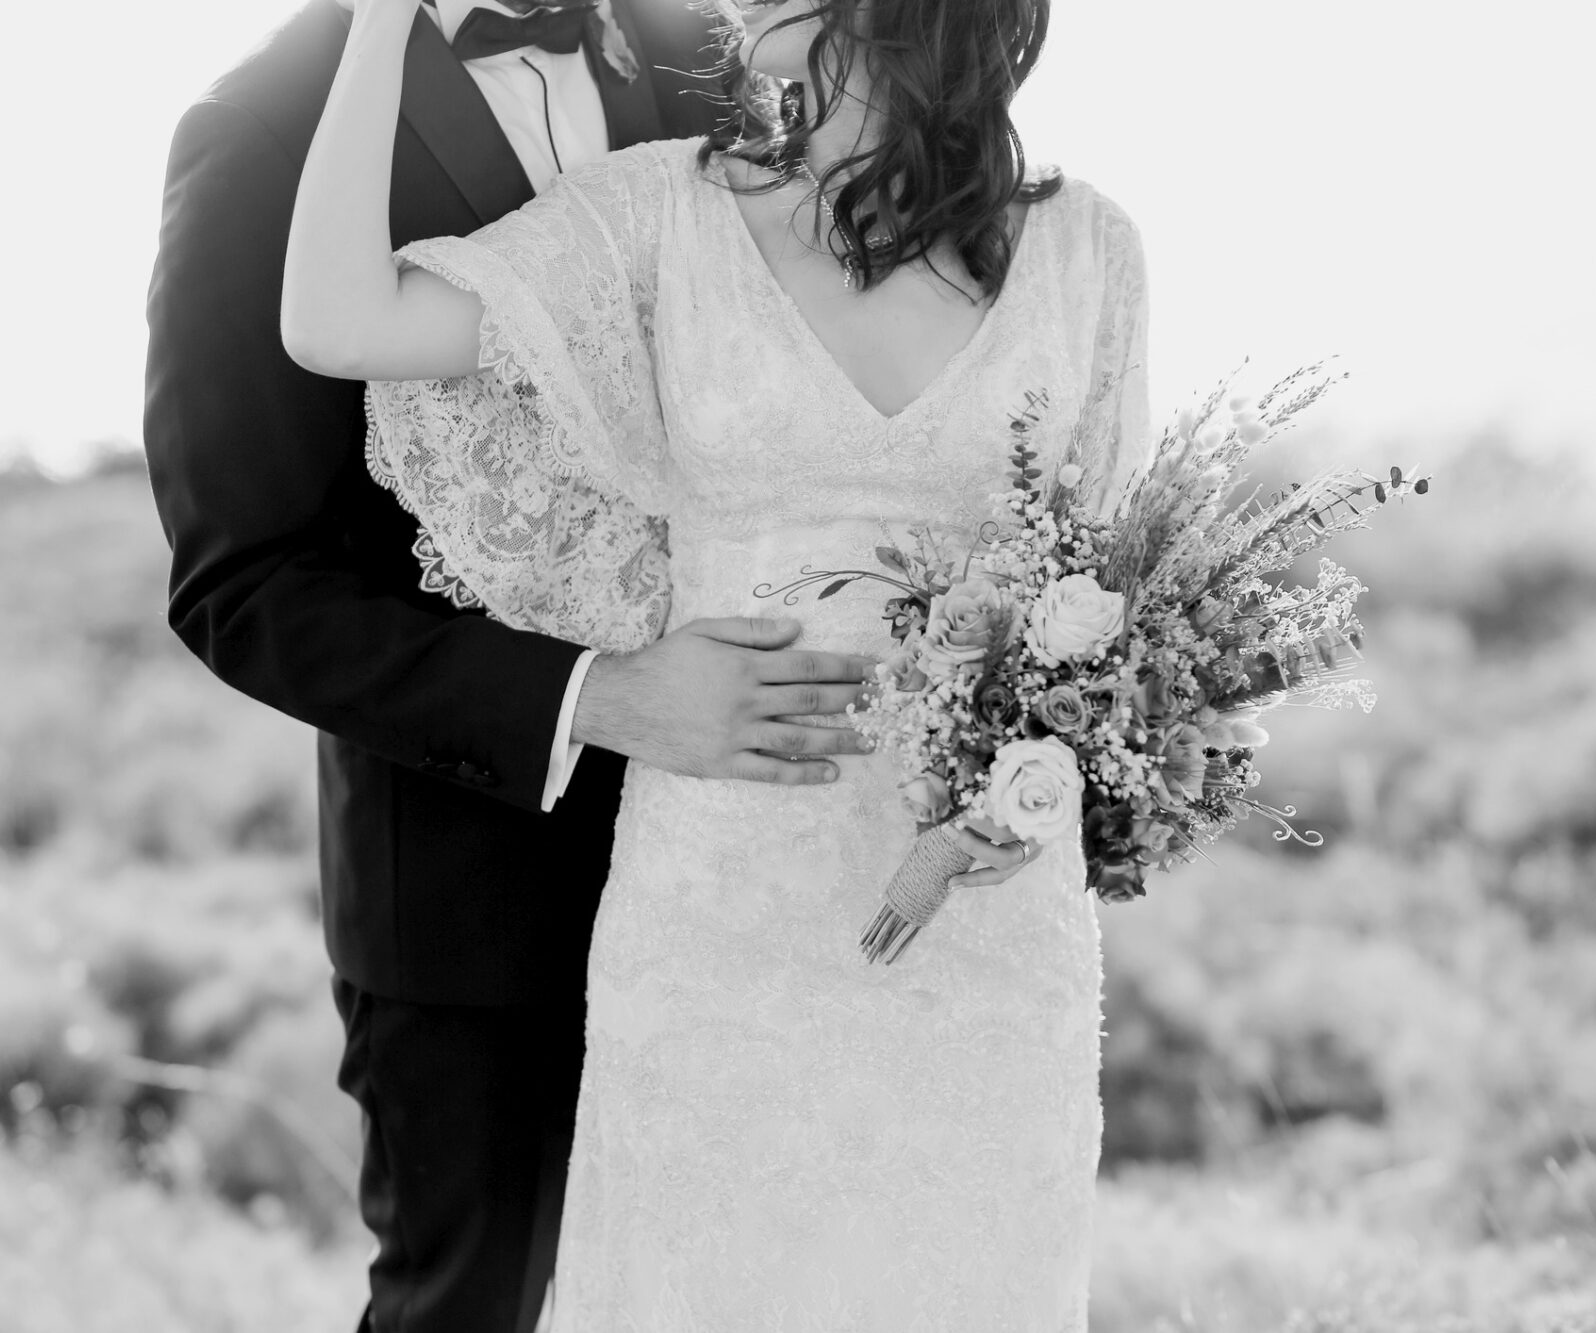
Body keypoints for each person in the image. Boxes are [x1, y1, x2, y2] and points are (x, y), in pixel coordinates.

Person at [282, 0, 1149, 1324]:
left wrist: (1035, 783)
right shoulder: (654, 221)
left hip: (987, 928)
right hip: (720, 911)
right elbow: (338, 320)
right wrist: (372, 17)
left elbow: (1104, 598)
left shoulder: (1091, 252)